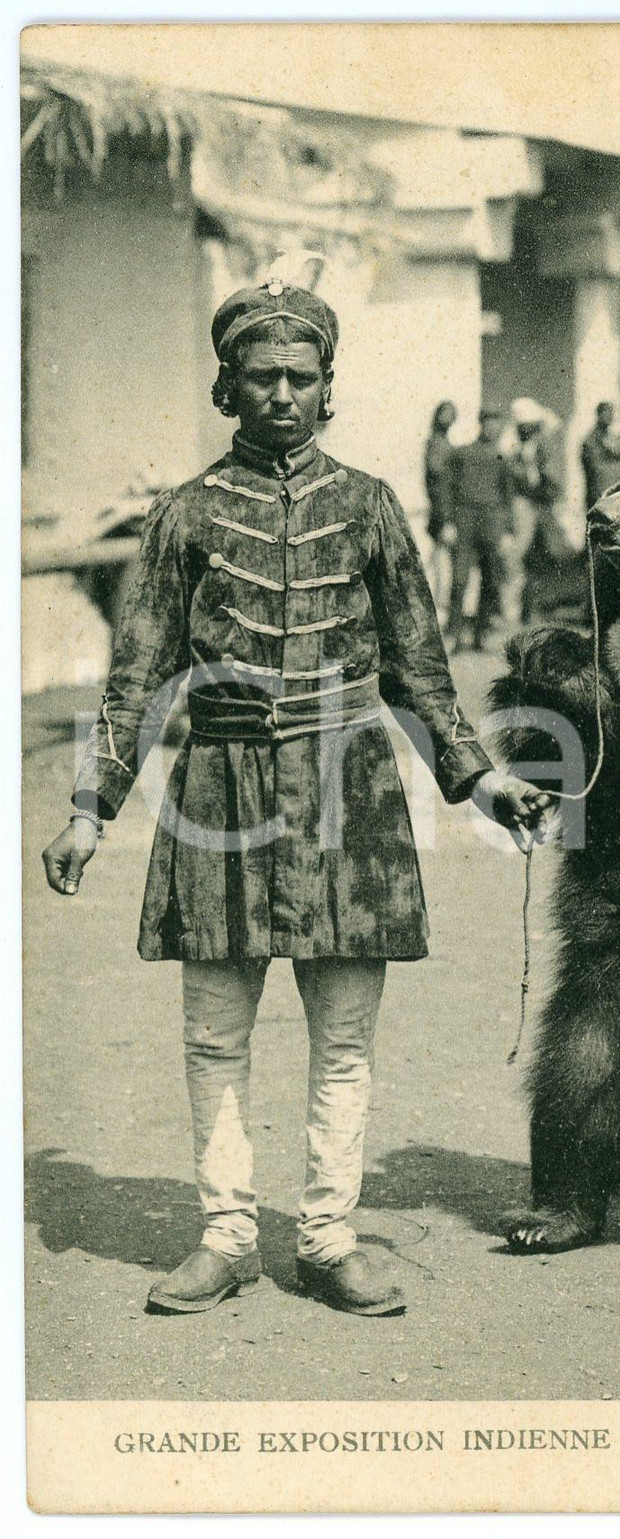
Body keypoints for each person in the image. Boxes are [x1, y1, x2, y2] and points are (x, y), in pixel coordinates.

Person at [41, 259, 550, 1319]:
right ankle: (226, 1235)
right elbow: (137, 674)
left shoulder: (368, 508)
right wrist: (91, 807)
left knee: (345, 1037)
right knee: (214, 1033)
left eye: (301, 374)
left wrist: (484, 779)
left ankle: (326, 1237)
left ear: (328, 384)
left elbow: (420, 671)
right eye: (261, 374)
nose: (282, 392)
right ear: (228, 387)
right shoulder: (183, 516)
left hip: (346, 792)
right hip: (217, 793)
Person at [444, 405, 516, 652]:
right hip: (465, 519)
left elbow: (508, 497)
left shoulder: (503, 458)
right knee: (459, 579)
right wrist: (448, 522)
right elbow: (448, 490)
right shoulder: (462, 454)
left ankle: (480, 634)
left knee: (491, 581)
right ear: (480, 423)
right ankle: (454, 635)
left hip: (492, 522)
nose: (492, 427)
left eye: (497, 422)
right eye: (488, 422)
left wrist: (508, 531)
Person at [507, 397, 573, 624]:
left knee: (543, 555)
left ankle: (535, 608)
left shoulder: (543, 446)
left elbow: (549, 475)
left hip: (541, 505)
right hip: (524, 504)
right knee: (520, 554)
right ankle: (516, 609)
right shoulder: (514, 448)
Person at [423, 400, 457, 608]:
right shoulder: (436, 444)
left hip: (445, 508)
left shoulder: (443, 443)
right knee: (441, 563)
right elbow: (436, 473)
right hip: (440, 509)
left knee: (440, 561)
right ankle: (439, 606)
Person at [580, 400, 620, 512]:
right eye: (607, 413)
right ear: (599, 414)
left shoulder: (616, 439)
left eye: (611, 413)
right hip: (598, 495)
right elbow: (596, 470)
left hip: (616, 494)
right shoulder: (590, 440)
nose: (610, 416)